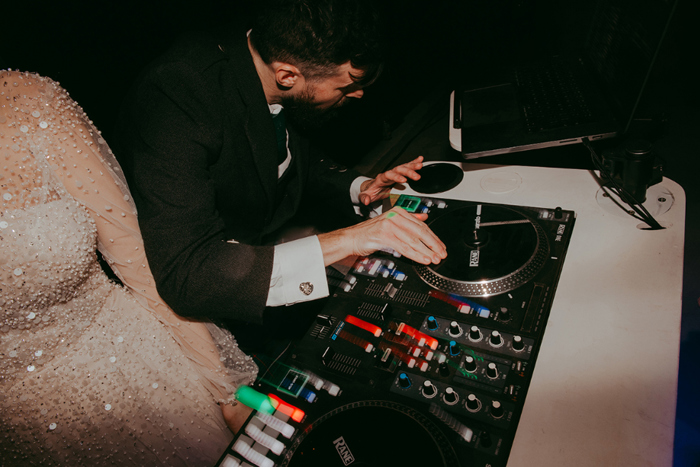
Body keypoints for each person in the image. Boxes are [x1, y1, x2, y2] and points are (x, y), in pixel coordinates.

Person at [115, 0, 447, 349]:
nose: (359, 94)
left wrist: (360, 185)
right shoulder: (178, 96)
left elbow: (284, 150)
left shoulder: (267, 52)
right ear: (287, 76)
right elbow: (190, 275)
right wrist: (350, 238)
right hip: (209, 302)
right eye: (345, 87)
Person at [0, 70, 257, 466]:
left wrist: (223, 390)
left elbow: (139, 263)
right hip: (25, 428)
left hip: (136, 368)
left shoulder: (31, 98)